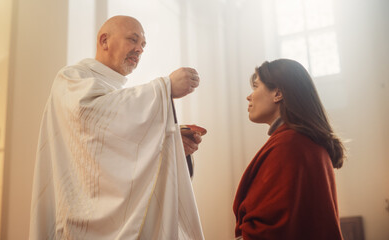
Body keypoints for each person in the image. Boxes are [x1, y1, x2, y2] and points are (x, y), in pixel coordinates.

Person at [29, 15, 205, 240]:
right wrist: (165, 87)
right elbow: (93, 117)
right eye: (133, 40)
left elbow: (119, 150)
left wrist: (170, 141)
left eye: (143, 45)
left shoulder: (117, 93)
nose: (139, 49)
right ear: (104, 41)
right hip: (81, 219)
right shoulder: (72, 78)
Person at [233, 59, 345, 240]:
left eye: (255, 87)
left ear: (278, 93)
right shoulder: (303, 141)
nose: (249, 96)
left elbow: (271, 229)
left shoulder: (290, 144)